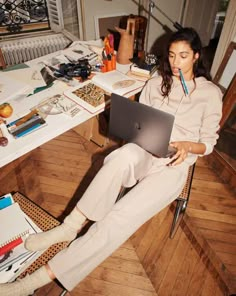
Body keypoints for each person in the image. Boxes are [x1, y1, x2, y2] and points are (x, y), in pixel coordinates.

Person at [0, 27, 222, 296]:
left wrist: (189, 146)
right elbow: (142, 121)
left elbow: (209, 143)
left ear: (196, 56)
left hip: (174, 164)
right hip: (146, 149)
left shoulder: (210, 94)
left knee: (117, 220)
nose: (175, 63)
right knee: (121, 156)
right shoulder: (156, 81)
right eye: (172, 55)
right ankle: (69, 228)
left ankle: (30, 283)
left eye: (183, 56)